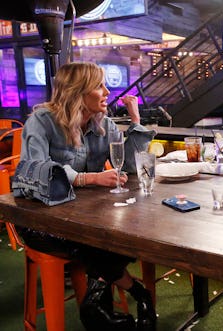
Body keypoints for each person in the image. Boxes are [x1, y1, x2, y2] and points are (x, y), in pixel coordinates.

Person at [16, 62, 157, 331]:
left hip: (86, 217)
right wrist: (89, 178)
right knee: (99, 242)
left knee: (122, 234)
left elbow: (127, 165)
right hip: (40, 220)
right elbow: (37, 170)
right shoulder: (41, 121)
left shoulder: (102, 123)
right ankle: (137, 294)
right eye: (98, 86)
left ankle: (97, 306)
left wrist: (135, 120)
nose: (107, 91)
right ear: (76, 92)